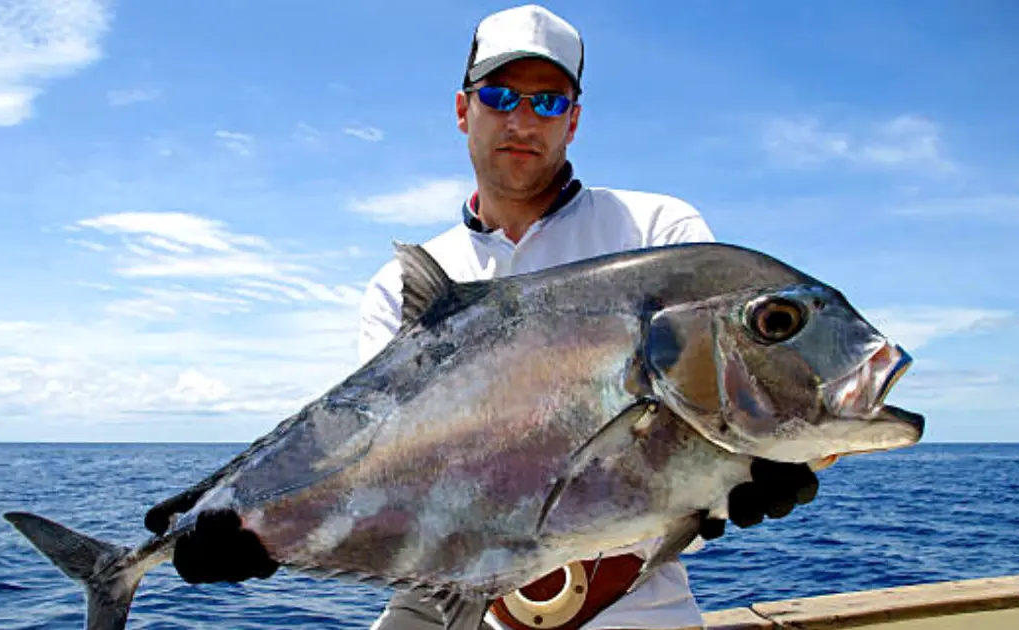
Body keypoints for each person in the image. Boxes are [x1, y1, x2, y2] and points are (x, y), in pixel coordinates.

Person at [158, 5, 823, 630]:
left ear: (574, 119)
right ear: (462, 109)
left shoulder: (659, 235)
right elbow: (362, 457)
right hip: (447, 599)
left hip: (635, 605)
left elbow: (726, 407)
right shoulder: (403, 285)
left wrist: (760, 465)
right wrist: (255, 524)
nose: (523, 120)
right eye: (500, 96)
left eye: (548, 100)